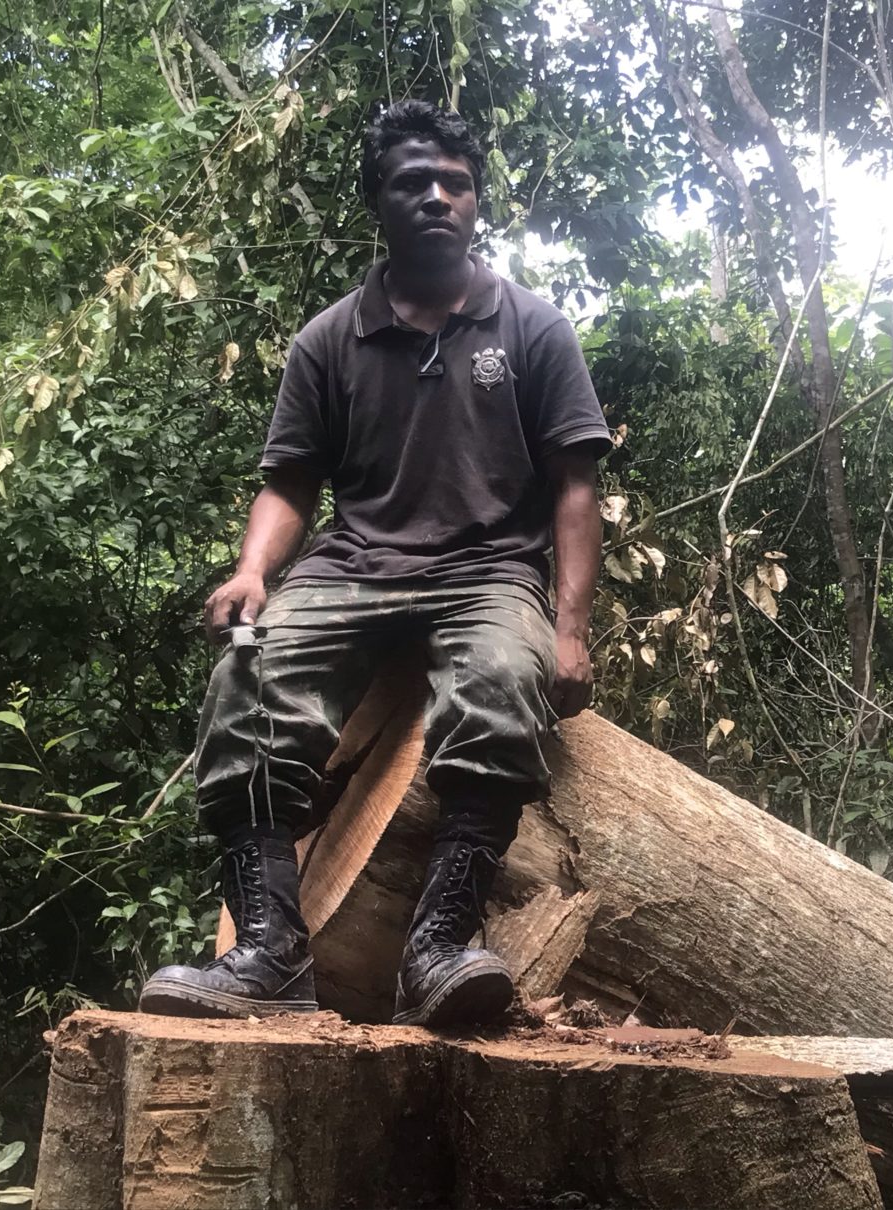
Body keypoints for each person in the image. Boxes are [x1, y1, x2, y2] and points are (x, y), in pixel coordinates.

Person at [138, 99, 609, 1027]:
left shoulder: (531, 327)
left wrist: (568, 631)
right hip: (352, 566)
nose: (437, 198)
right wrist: (251, 574)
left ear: (476, 201)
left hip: (487, 571)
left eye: (455, 184)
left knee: (496, 683)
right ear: (378, 202)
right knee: (251, 676)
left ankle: (437, 949)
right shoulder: (329, 338)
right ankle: (267, 954)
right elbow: (289, 484)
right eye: (412, 184)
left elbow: (575, 488)